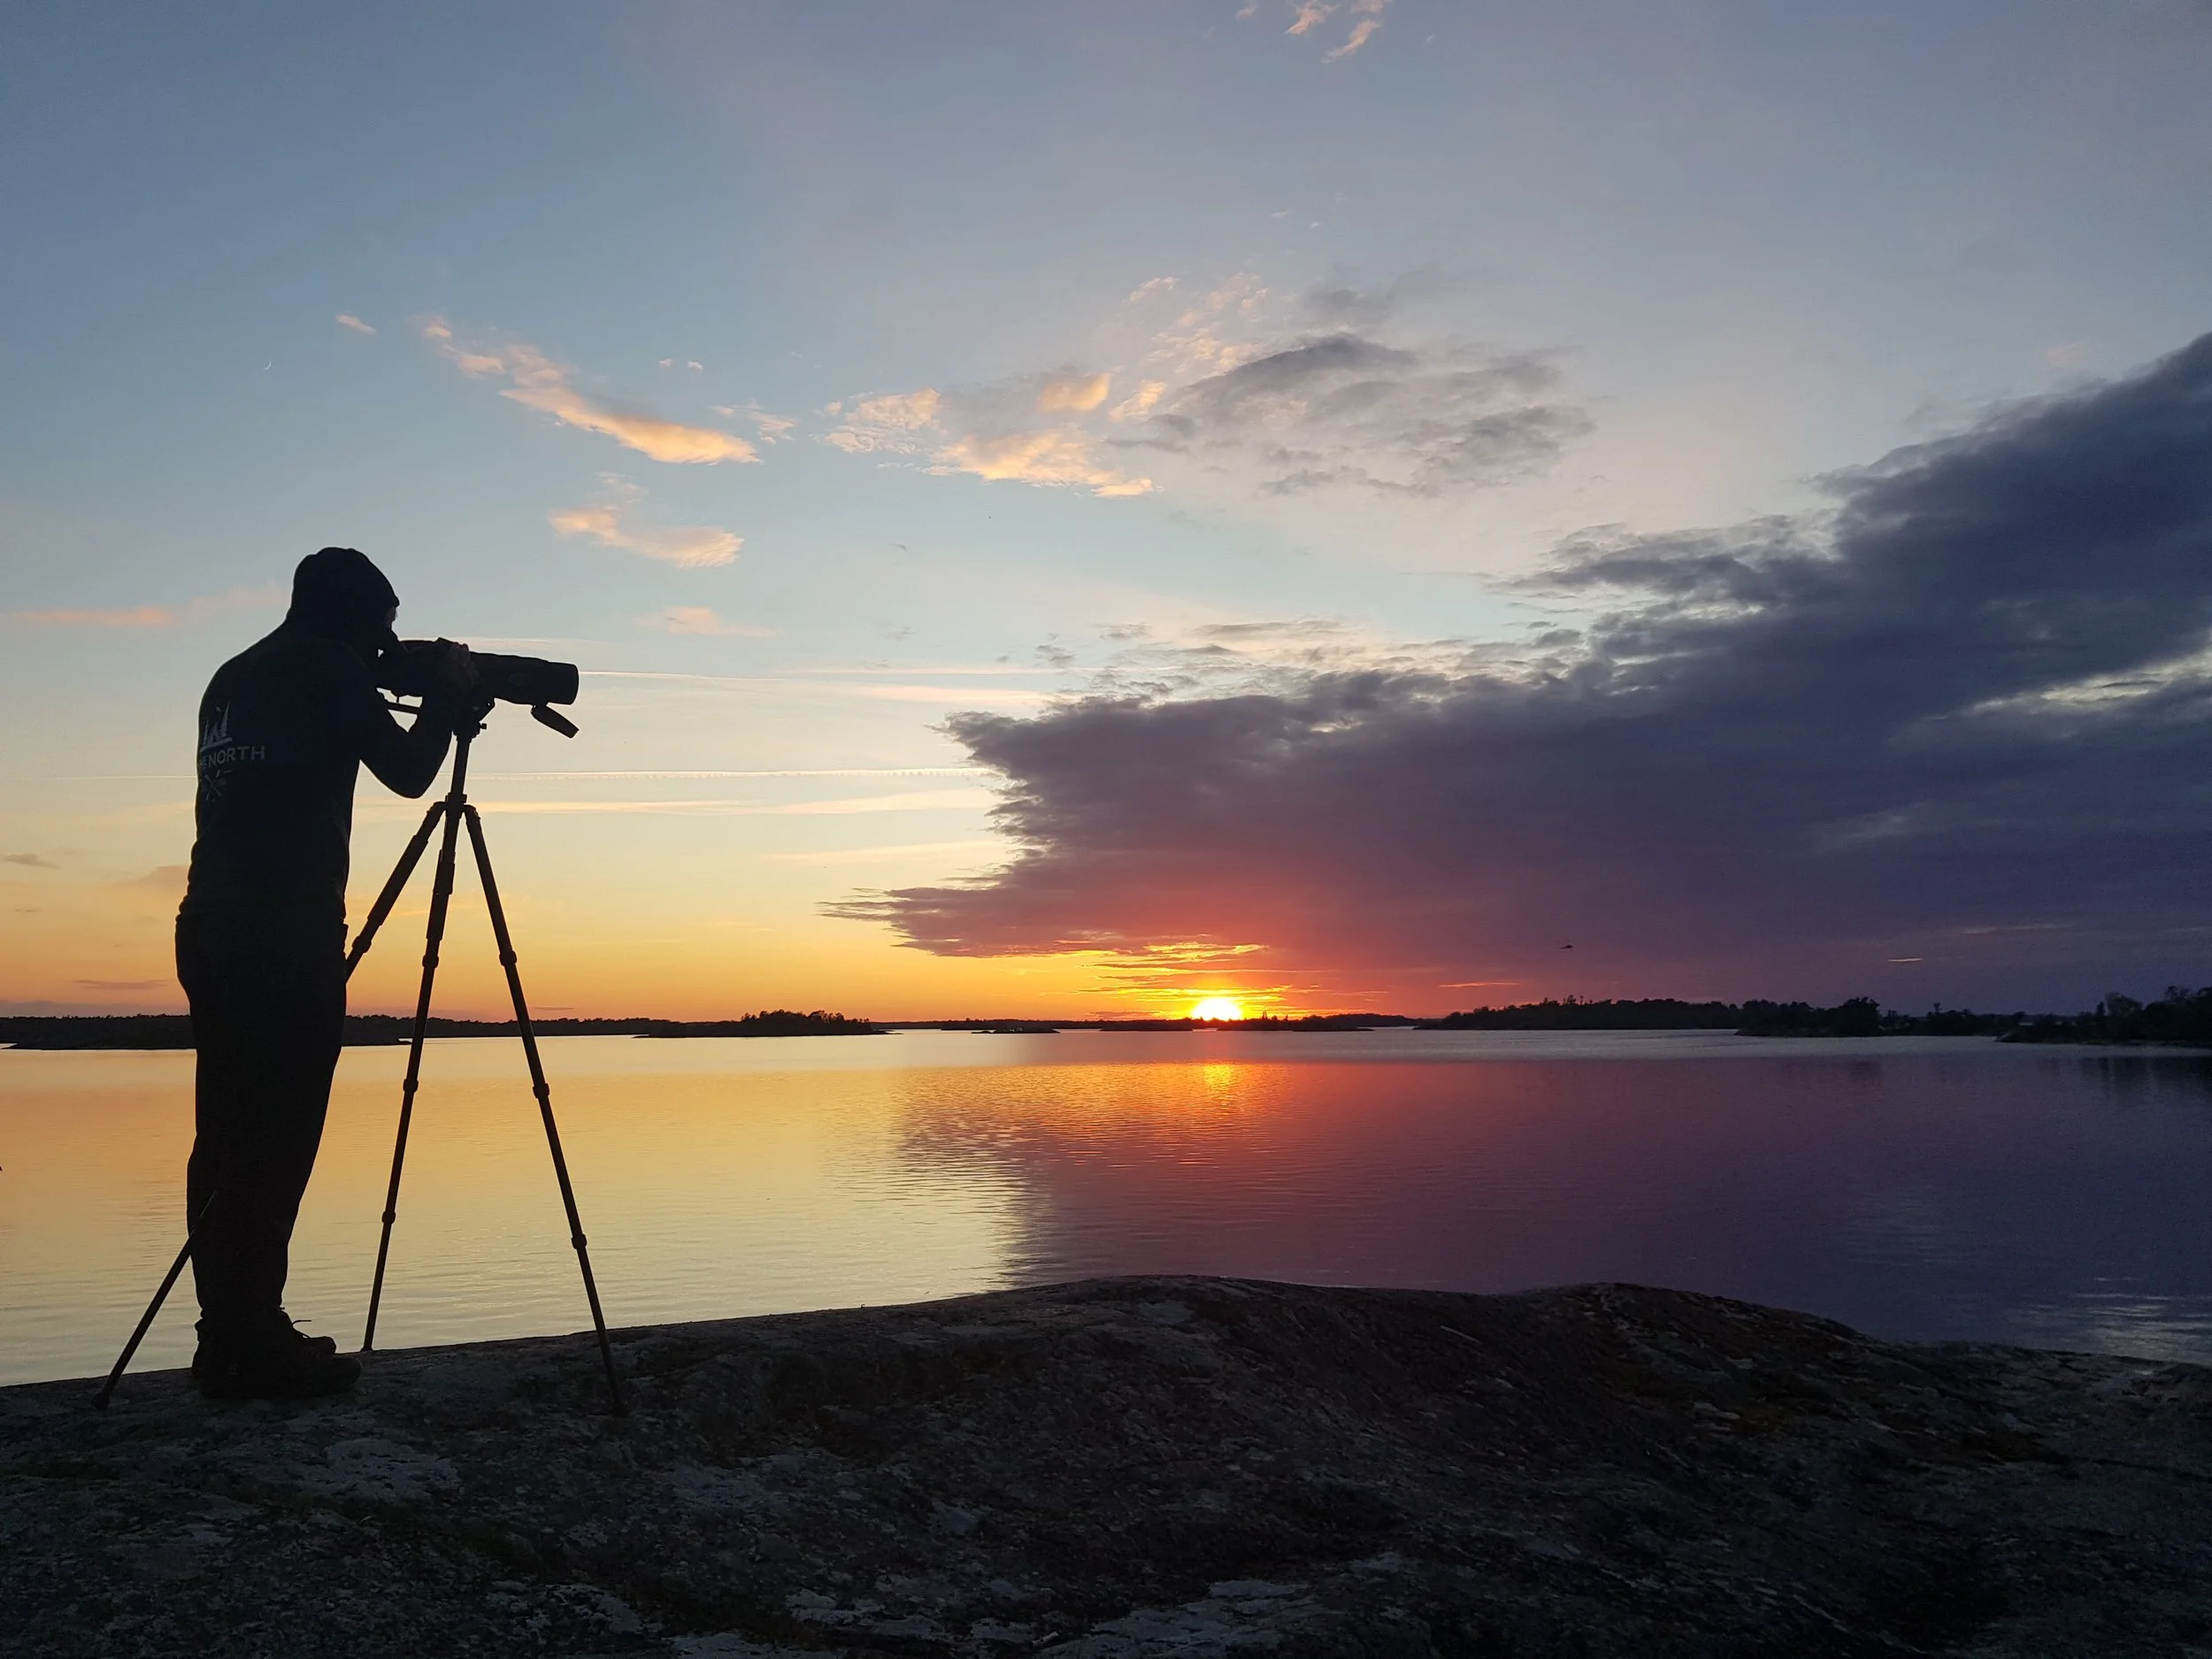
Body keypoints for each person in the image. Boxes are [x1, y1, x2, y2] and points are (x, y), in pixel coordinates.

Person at [177, 548, 468, 1399]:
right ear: (351, 614)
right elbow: (410, 774)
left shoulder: (234, 674)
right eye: (382, 621)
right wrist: (447, 701)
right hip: (285, 932)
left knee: (224, 1133)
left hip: (210, 925)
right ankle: (254, 1340)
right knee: (280, 1134)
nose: (388, 640)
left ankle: (223, 1330)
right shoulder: (328, 667)